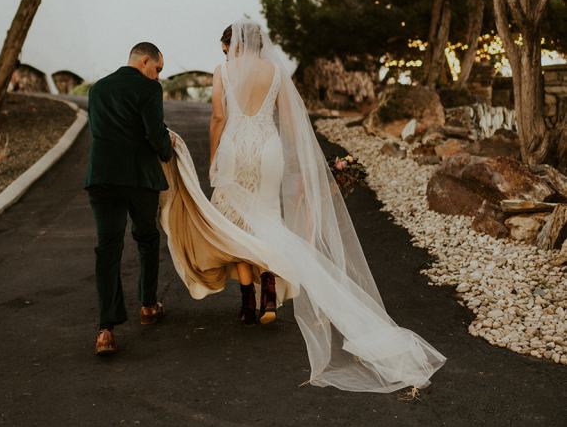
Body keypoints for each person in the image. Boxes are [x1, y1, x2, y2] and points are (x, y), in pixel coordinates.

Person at [158, 20, 446, 394]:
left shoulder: (222, 72)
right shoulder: (276, 72)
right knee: (268, 221)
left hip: (235, 151)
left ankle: (247, 302)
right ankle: (268, 293)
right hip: (268, 151)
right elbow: (293, 125)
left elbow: (217, 117)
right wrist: (302, 167)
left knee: (237, 225)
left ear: (235, 45)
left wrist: (213, 158)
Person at [85, 41, 173, 356]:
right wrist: (168, 150)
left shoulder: (97, 89)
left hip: (102, 177)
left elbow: (97, 130)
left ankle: (105, 331)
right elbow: (154, 132)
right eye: (157, 68)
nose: (158, 76)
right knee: (147, 237)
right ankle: (148, 305)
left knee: (107, 248)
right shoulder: (149, 89)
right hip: (139, 178)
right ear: (144, 61)